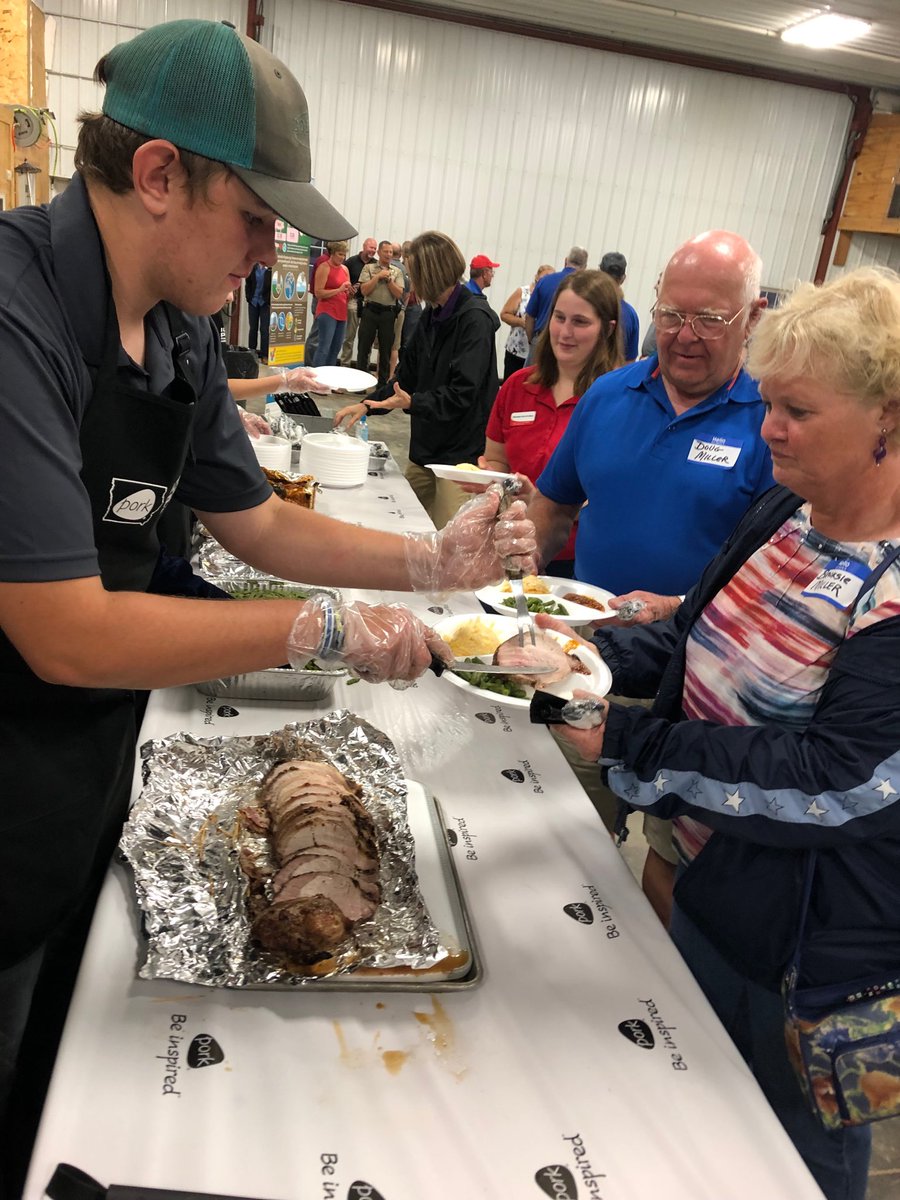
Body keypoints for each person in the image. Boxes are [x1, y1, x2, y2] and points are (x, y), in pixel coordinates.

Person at [0, 21, 537, 1192]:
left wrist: (430, 569)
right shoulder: (14, 319)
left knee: (52, 1056)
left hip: (82, 748)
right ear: (158, 176)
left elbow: (255, 523)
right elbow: (65, 628)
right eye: (255, 216)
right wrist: (321, 628)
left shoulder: (185, 328)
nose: (270, 248)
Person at [543, 265, 900, 1200]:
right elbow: (696, 634)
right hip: (714, 884)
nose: (768, 427)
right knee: (692, 1120)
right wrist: (582, 660)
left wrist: (629, 748)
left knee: (794, 1160)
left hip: (815, 960)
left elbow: (833, 781)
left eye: (797, 411)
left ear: (889, 419)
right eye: (769, 403)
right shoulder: (787, 507)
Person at [529, 230, 774, 909]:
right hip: (581, 662)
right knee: (558, 837)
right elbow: (554, 508)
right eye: (671, 314)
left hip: (696, 695)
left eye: (709, 319)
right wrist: (517, 570)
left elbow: (772, 583)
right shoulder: (609, 397)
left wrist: (676, 605)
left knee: (672, 867)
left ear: (751, 319)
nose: (684, 335)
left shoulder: (772, 425)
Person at [334, 230, 501, 529]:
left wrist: (415, 402)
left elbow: (464, 393)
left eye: (413, 272)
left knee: (447, 539)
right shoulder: (431, 316)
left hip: (460, 455)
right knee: (404, 527)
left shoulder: (474, 321)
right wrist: (368, 405)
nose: (409, 280)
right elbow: (406, 375)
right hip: (426, 448)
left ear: (430, 274)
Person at [464, 270, 623, 576]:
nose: (565, 332)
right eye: (559, 317)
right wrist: (489, 480)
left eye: (580, 322)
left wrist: (541, 502)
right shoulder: (517, 386)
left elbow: (614, 499)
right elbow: (498, 458)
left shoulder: (617, 401)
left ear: (607, 329)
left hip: (575, 565)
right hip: (509, 545)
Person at [524, 245, 588, 354]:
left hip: (541, 340)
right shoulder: (587, 287)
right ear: (585, 267)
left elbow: (529, 316)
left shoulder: (544, 281)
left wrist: (532, 340)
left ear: (566, 261)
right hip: (569, 346)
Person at [357, 239, 404, 384]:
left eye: (391, 252)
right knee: (364, 347)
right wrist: (377, 277)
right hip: (370, 310)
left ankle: (382, 383)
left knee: (386, 350)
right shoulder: (369, 268)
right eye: (386, 251)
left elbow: (399, 294)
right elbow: (364, 290)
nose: (389, 254)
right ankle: (361, 382)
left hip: (387, 313)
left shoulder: (397, 272)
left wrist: (389, 280)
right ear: (379, 253)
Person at [500, 263, 553, 381]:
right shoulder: (523, 292)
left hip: (536, 353)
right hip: (516, 350)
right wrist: (521, 322)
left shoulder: (552, 297)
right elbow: (504, 314)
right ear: (537, 277)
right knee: (511, 383)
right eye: (544, 278)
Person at [312, 240, 352, 367]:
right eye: (340, 254)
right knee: (324, 347)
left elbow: (347, 292)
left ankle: (329, 381)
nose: (342, 257)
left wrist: (350, 291)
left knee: (336, 348)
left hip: (342, 311)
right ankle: (316, 379)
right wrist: (339, 290)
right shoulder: (324, 267)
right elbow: (318, 293)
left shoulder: (345, 269)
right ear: (332, 253)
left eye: (344, 255)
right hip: (327, 311)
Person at [339, 235, 376, 367]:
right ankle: (345, 365)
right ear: (364, 247)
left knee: (367, 339)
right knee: (349, 337)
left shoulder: (375, 265)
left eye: (375, 249)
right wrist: (348, 289)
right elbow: (342, 278)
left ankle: (364, 366)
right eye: (371, 247)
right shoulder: (350, 262)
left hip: (368, 303)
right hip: (353, 302)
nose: (373, 251)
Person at [598, 250, 639, 362]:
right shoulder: (631, 314)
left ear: (599, 273)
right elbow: (629, 361)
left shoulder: (587, 305)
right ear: (623, 278)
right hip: (613, 377)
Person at [244, 261, 271, 361]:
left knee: (264, 330)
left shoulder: (270, 269)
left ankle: (265, 355)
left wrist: (268, 300)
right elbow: (248, 283)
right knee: (253, 329)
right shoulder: (253, 267)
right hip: (253, 302)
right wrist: (248, 298)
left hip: (265, 303)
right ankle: (252, 353)